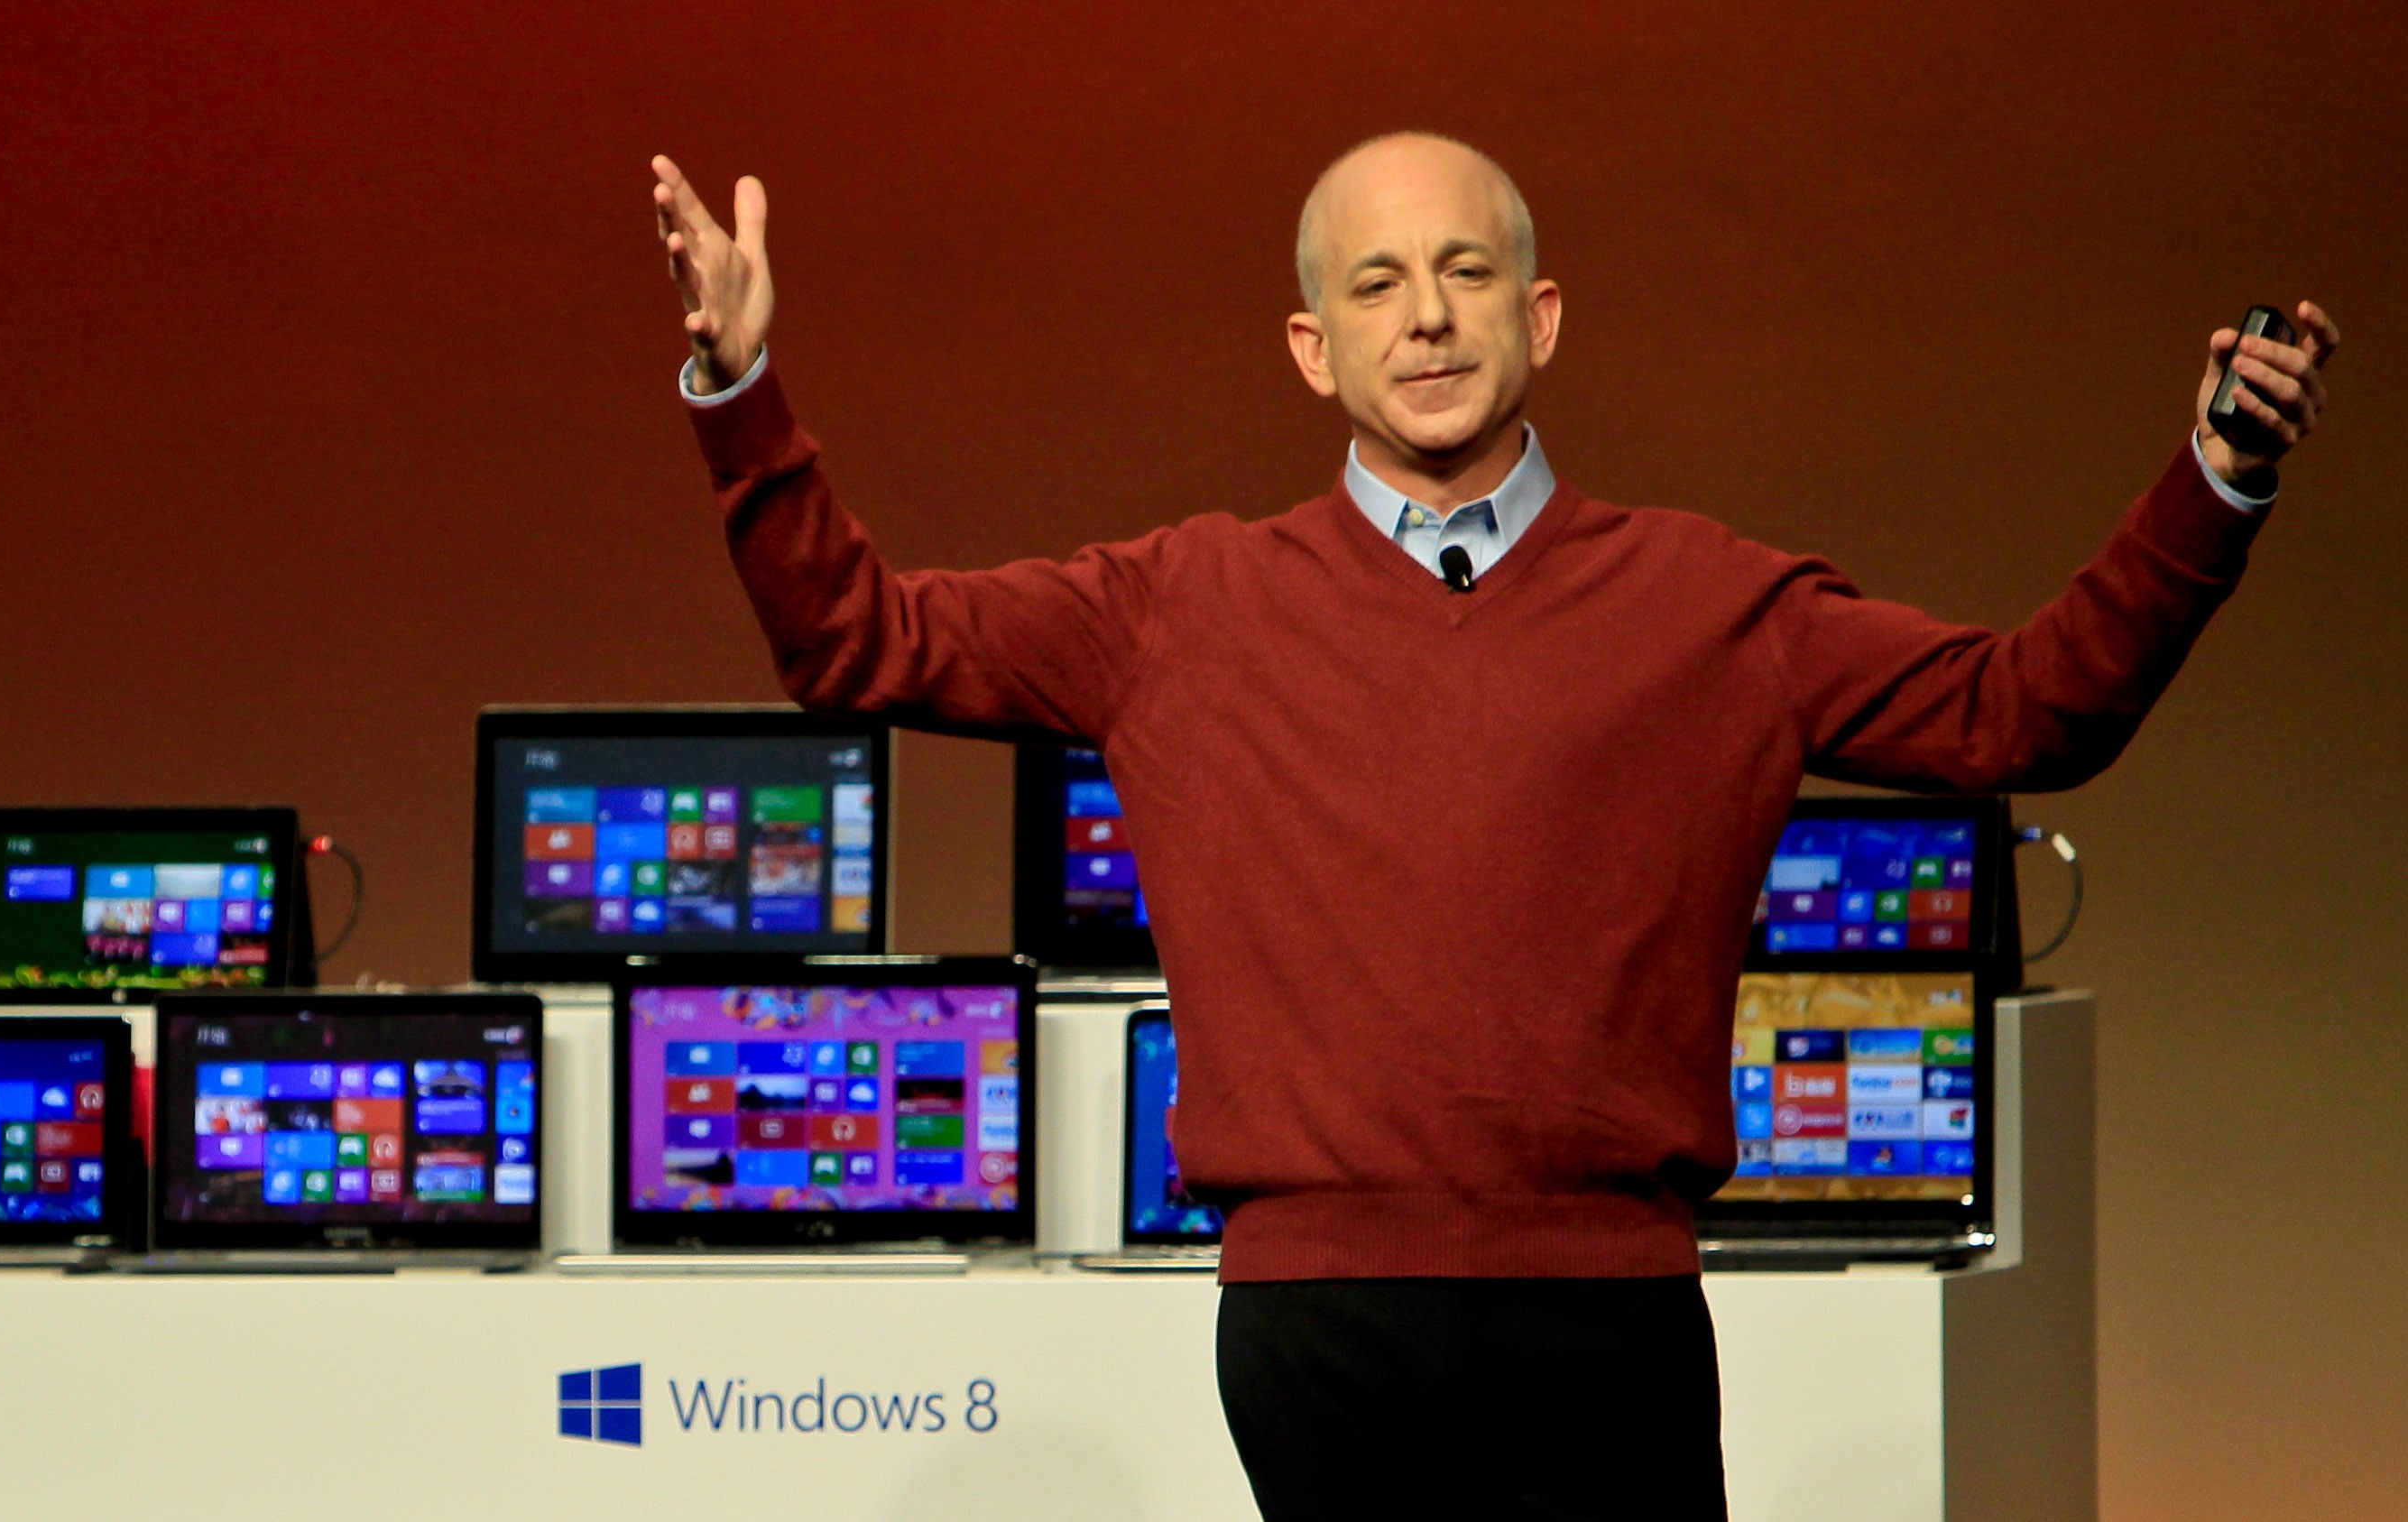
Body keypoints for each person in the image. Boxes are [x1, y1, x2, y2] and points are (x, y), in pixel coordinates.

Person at [646, 134, 2337, 1519]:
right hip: (1320, 1325)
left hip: (1609, 1316)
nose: (1428, 317)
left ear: (1540, 316)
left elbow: (2029, 709)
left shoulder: (1707, 603)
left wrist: (2217, 475)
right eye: (1376, 284)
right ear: (1314, 347)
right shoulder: (1180, 605)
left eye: (1465, 274)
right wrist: (741, 390)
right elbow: (853, 637)